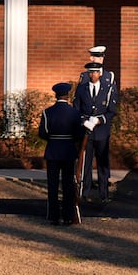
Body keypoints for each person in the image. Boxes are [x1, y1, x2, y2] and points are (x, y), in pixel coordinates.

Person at [38, 81, 83, 225]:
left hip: (53, 150)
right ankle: (68, 216)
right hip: (69, 150)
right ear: (68, 95)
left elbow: (43, 133)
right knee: (68, 184)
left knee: (52, 185)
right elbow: (79, 134)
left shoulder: (47, 112)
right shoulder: (75, 113)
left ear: (55, 95)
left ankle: (53, 216)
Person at [75, 61, 119, 202]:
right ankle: (84, 192)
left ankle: (103, 193)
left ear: (100, 74)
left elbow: (112, 111)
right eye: (90, 72)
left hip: (101, 132)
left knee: (103, 163)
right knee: (85, 163)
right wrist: (84, 121)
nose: (92, 75)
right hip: (86, 131)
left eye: (94, 72)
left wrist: (99, 120)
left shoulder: (107, 89)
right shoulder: (81, 89)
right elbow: (76, 109)